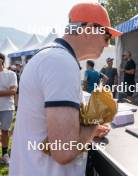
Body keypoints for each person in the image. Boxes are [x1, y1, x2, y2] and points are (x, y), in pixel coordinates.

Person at [10, 2, 122, 176]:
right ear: (90, 29)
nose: (107, 44)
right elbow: (64, 151)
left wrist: (86, 131)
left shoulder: (51, 56)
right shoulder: (60, 62)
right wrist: (97, 119)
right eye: (107, 36)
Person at [0, 53, 17, 164]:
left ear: (2, 60)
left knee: (5, 131)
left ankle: (5, 154)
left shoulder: (11, 74)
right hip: (6, 106)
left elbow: (13, 91)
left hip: (6, 107)